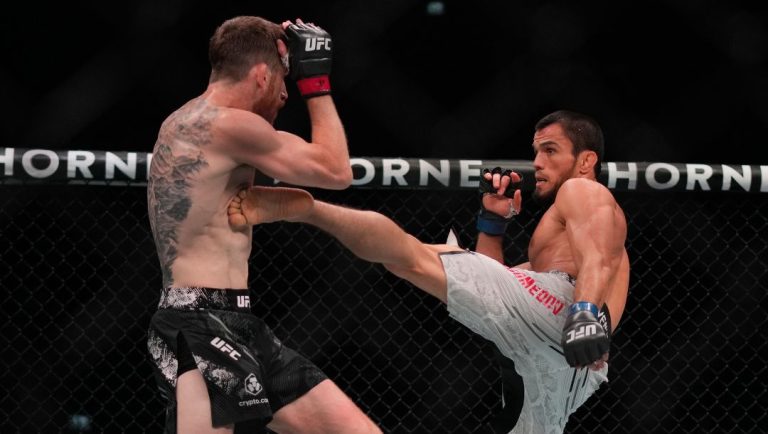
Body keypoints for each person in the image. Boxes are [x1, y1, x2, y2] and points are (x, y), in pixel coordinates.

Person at [227, 110, 630, 433]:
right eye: (536, 151)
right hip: (571, 361)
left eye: (550, 150)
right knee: (424, 259)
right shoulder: (558, 235)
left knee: (412, 257)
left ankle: (307, 208)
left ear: (587, 159)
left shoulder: (585, 191)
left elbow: (600, 259)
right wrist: (492, 225)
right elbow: (498, 302)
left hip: (570, 317)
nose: (537, 163)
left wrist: (584, 313)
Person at [146, 15, 380, 434]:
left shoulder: (189, 120)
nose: (286, 92)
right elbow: (336, 170)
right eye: (284, 79)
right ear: (260, 75)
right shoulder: (228, 124)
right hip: (200, 323)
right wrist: (317, 81)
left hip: (236, 321)